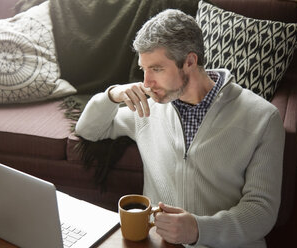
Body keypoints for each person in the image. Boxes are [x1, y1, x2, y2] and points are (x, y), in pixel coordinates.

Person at [75, 9, 285, 248]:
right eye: (144, 69)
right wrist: (112, 95)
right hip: (160, 242)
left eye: (156, 69)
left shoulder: (263, 118)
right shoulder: (148, 108)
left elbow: (262, 211)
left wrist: (198, 229)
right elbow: (89, 130)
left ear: (189, 61)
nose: (146, 82)